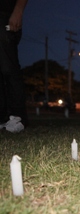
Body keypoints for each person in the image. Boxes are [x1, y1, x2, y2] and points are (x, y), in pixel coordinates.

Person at [0, 0, 29, 133]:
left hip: (5, 16)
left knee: (8, 67)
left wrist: (18, 11)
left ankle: (18, 117)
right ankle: (3, 118)